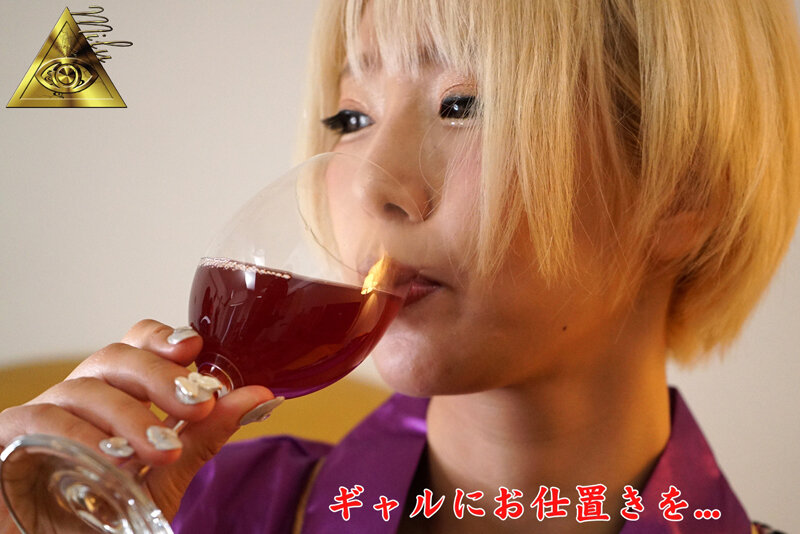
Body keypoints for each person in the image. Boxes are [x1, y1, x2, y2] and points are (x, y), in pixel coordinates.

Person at [2, 0, 799, 532]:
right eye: (352, 117)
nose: (372, 185)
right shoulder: (192, 512)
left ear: (682, 192)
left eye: (464, 104)